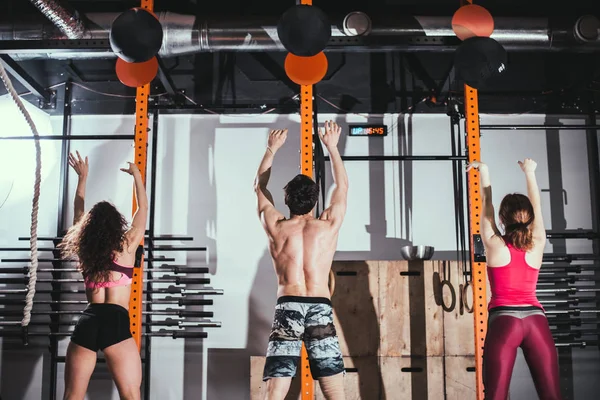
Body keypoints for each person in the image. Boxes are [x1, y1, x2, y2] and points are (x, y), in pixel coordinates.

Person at [254, 121, 349, 400]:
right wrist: (331, 147)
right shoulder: (328, 225)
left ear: (286, 200)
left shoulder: (277, 227)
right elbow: (342, 187)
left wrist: (271, 150)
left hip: (288, 305)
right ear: (315, 200)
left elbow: (258, 187)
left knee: (277, 390)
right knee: (334, 390)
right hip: (319, 305)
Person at [467, 158, 562, 400]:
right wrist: (530, 172)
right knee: (552, 397)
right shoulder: (538, 242)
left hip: (504, 321)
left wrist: (484, 172)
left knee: (496, 397)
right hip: (536, 322)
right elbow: (538, 206)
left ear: (502, 219)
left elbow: (485, 204)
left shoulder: (494, 243)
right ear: (529, 219)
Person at [59, 152, 148, 400]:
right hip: (115, 321)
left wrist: (82, 178)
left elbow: (78, 212)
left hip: (88, 319)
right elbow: (143, 209)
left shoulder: (86, 249)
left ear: (89, 228)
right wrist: (137, 176)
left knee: (71, 396)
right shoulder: (127, 244)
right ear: (116, 223)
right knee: (131, 395)